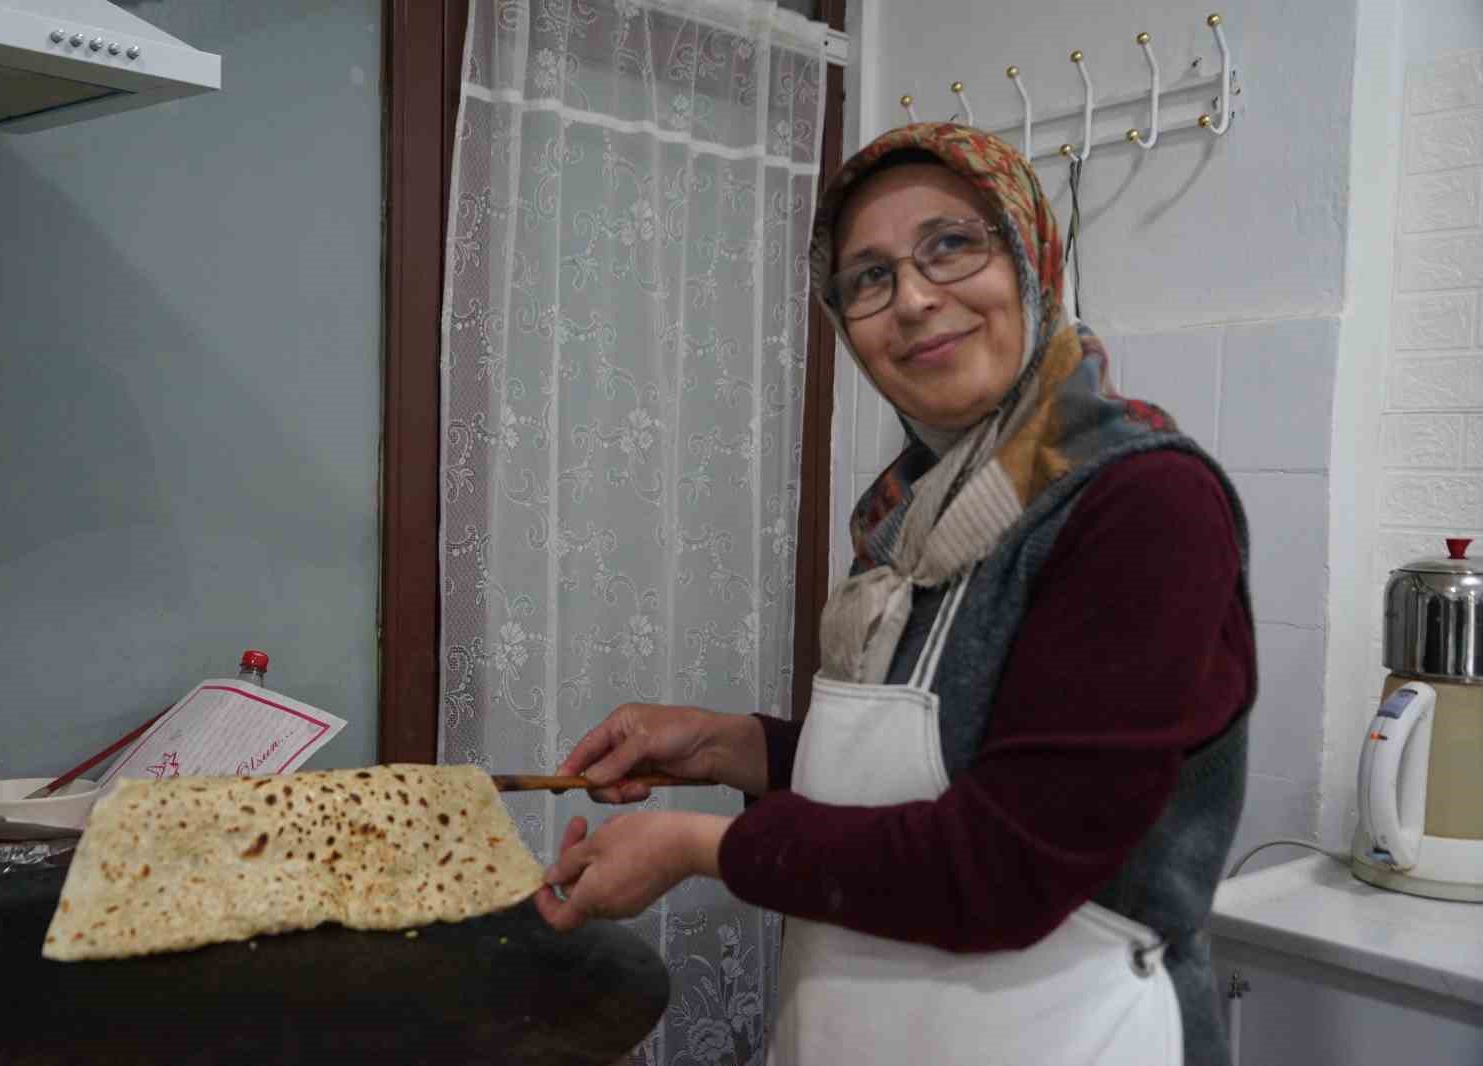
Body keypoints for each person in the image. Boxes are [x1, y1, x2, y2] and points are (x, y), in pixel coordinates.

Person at [534, 123, 1255, 1066]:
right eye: (869, 277)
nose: (913, 299)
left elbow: (1006, 865)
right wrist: (722, 744)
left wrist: (692, 848)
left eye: (952, 245)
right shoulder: (911, 515)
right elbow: (931, 775)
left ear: (1033, 257)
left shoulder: (1143, 503)